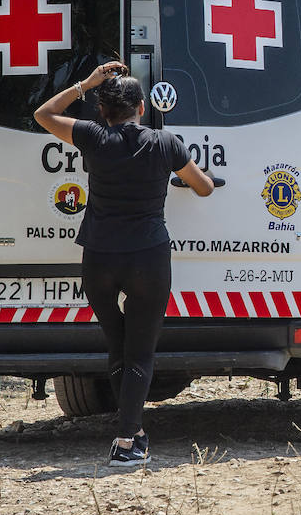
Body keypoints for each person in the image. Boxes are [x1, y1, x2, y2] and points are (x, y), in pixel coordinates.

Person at [33, 61, 215, 467]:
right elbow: (202, 187)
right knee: (140, 353)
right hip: (148, 257)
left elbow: (42, 115)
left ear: (103, 111)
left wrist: (86, 83)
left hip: (98, 257)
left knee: (118, 348)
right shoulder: (166, 144)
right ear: (142, 108)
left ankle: (133, 432)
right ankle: (126, 440)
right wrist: (191, 178)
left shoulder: (93, 137)